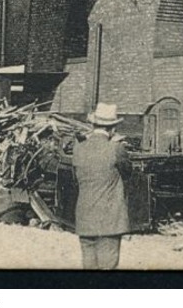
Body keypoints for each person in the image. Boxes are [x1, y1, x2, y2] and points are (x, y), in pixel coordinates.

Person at [71, 102, 131, 271]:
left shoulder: (79, 149)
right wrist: (117, 145)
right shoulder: (116, 149)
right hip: (109, 221)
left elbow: (76, 179)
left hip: (85, 219)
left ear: (93, 124)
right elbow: (128, 173)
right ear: (112, 129)